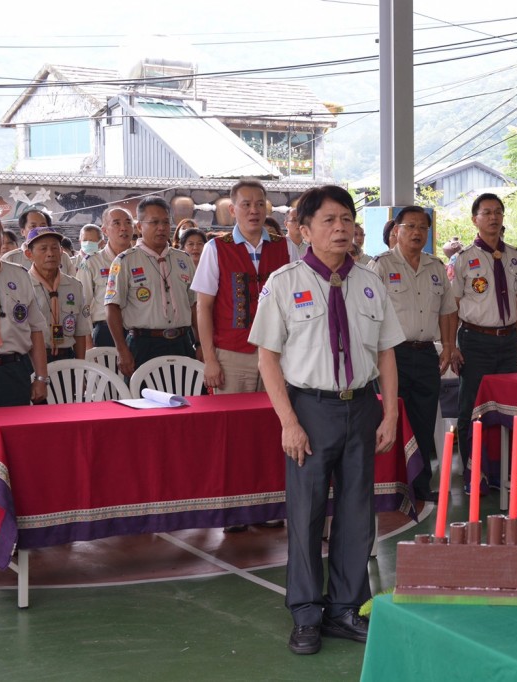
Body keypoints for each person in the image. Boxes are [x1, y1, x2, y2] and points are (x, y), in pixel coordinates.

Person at [249, 184, 404, 655]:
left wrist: (390, 411)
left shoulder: (371, 282)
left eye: (347, 220)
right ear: (304, 229)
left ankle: (346, 609)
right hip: (310, 410)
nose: (341, 229)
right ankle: (305, 614)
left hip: (361, 407)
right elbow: (267, 360)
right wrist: (288, 422)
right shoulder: (284, 283)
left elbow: (387, 352)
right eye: (329, 221)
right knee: (307, 513)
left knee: (358, 515)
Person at [368, 206, 457, 502]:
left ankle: (418, 485)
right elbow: (368, 315)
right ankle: (389, 485)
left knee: (422, 419)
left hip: (425, 354)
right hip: (391, 356)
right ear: (397, 230)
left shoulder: (435, 267)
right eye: (411, 226)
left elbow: (447, 311)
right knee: (389, 419)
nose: (417, 232)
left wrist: (448, 345)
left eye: (422, 227)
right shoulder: (380, 265)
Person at [449, 192, 517, 481]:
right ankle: (473, 470)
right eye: (487, 213)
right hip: (475, 341)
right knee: (471, 405)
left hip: (507, 340)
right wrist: (454, 346)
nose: (494, 217)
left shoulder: (514, 256)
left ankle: (499, 469)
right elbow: (452, 306)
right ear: (475, 220)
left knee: (505, 405)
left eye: (498, 212)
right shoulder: (463, 259)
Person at [192, 178, 297, 394]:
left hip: (278, 351)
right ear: (232, 209)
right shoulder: (216, 248)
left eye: (260, 204)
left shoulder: (285, 247)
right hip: (232, 354)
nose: (254, 211)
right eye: (246, 204)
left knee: (274, 419)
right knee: (233, 421)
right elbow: (204, 307)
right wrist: (210, 359)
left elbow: (296, 301)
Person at [105, 197, 201, 377]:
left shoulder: (184, 259)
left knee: (189, 400)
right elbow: (112, 307)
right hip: (144, 344)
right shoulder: (125, 261)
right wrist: (122, 350)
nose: (162, 227)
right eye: (154, 222)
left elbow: (195, 305)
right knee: (145, 402)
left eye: (165, 222)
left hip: (182, 342)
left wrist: (200, 343)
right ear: (140, 226)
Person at [0, 207, 49, 407]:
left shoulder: (20, 275)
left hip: (13, 371)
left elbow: (35, 328)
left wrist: (41, 378)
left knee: (13, 435)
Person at [25, 226, 91, 362]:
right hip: (33, 359)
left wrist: (80, 370)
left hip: (67, 357)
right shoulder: (22, 285)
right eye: (43, 249)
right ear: (29, 254)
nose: (50, 253)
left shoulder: (74, 286)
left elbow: (80, 332)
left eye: (55, 248)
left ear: (61, 252)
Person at [77, 207, 134, 347]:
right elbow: (82, 304)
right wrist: (88, 342)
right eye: (116, 223)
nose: (123, 228)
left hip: (139, 334)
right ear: (105, 230)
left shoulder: (143, 260)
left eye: (128, 223)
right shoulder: (92, 262)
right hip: (105, 332)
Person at [2, 209, 77, 276]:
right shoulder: (9, 259)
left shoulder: (63, 257)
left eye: (43, 226)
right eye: (33, 226)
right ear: (22, 231)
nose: (38, 230)